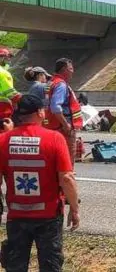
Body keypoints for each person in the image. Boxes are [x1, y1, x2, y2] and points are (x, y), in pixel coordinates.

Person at [0, 94, 80, 271]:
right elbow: (66, 178)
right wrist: (74, 209)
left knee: (15, 266)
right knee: (50, 266)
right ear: (40, 112)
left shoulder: (3, 141)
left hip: (17, 216)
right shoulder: (54, 138)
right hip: (49, 216)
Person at [44, 58, 83, 165]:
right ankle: (65, 180)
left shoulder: (51, 82)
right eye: (70, 68)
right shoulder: (61, 85)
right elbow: (56, 107)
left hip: (51, 125)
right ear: (64, 69)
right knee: (67, 162)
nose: (72, 71)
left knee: (54, 159)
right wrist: (65, 124)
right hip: (63, 128)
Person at [0, 48, 21, 118]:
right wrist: (22, 99)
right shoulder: (3, 73)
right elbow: (12, 94)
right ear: (2, 58)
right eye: (8, 57)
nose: (9, 60)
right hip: (2, 108)